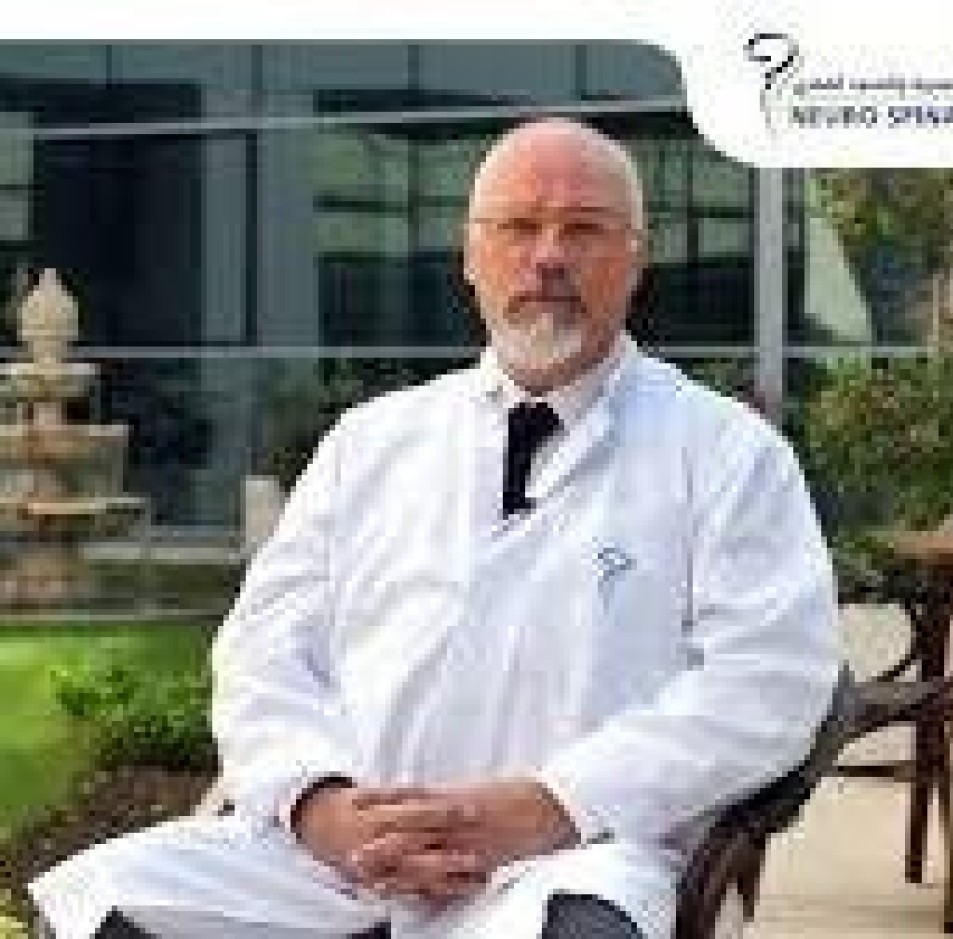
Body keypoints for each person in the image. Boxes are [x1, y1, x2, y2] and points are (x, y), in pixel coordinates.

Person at [30, 118, 842, 939]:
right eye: (518, 226)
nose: (548, 256)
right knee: (115, 902)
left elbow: (769, 680)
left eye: (584, 229)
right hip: (334, 865)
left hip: (572, 855)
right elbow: (262, 651)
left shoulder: (726, 455)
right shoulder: (370, 442)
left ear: (636, 260)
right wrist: (320, 805)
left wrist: (549, 804)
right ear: (471, 256)